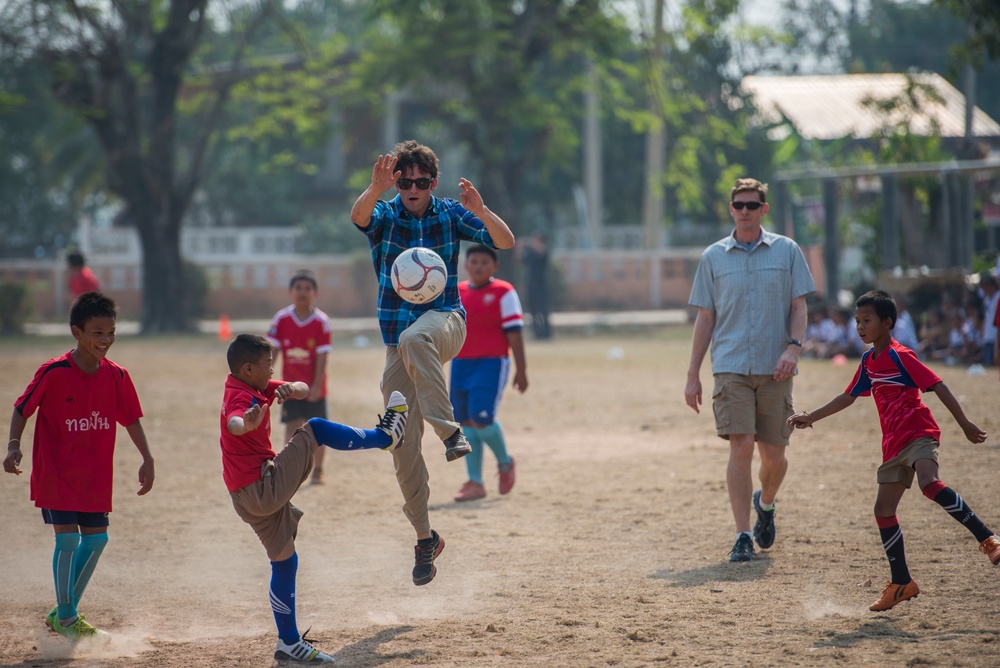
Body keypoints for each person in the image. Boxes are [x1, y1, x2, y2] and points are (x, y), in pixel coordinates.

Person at [350, 139, 515, 586]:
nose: (413, 188)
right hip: (398, 346)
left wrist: (481, 210)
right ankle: (425, 538)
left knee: (416, 335)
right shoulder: (385, 212)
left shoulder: (449, 212)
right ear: (397, 183)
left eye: (421, 181)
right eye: (405, 182)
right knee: (400, 443)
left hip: (445, 322)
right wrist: (374, 189)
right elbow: (359, 217)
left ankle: (450, 432)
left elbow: (505, 240)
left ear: (433, 182)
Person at [788, 290, 999, 612]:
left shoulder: (901, 355)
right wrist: (811, 416)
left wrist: (965, 423)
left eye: (867, 320)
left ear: (887, 323)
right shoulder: (868, 361)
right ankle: (902, 583)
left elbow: (938, 385)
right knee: (883, 511)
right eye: (857, 321)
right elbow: (848, 396)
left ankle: (988, 539)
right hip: (893, 446)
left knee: (930, 483)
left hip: (918, 434)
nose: (860, 327)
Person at [219, 334, 408, 664]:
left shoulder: (251, 383)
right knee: (316, 428)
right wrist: (245, 424)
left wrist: (289, 388)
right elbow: (234, 422)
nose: (272, 369)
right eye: (268, 365)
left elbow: (304, 389)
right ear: (249, 368)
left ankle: (289, 643)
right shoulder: (239, 397)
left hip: (244, 496)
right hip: (261, 486)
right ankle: (385, 437)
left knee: (284, 561)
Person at [3, 292, 155, 640]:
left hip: (94, 476)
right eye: (97, 332)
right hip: (56, 472)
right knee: (69, 540)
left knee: (97, 540)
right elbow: (21, 408)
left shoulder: (117, 376)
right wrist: (14, 446)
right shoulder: (53, 371)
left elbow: (130, 419)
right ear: (77, 332)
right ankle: (69, 617)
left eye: (111, 332)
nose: (105, 340)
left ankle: (62, 610)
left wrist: (147, 457)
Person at [684, 177, 816, 563]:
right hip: (730, 366)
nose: (745, 211)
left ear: (764, 209)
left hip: (776, 367)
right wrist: (692, 372)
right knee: (741, 446)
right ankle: (742, 534)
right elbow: (705, 318)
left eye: (752, 205)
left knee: (774, 456)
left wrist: (793, 348)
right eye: (738, 205)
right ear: (730, 209)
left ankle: (767, 502)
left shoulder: (788, 251)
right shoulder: (713, 257)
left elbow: (799, 307)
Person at [449, 244, 528, 502]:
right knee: (465, 422)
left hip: (491, 363)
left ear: (495, 266)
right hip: (460, 363)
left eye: (485, 262)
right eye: (474, 262)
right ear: (466, 265)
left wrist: (521, 369)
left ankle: (505, 463)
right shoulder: (457, 292)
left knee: (482, 418)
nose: (479, 266)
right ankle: (475, 482)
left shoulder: (504, 292)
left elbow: (514, 332)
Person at [267, 270, 333, 485]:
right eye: (298, 288)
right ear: (290, 292)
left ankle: (318, 471)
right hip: (290, 388)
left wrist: (315, 386)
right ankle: (289, 469)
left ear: (315, 293)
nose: (303, 293)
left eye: (307, 289)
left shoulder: (321, 321)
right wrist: (265, 376)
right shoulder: (282, 319)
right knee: (292, 428)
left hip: (315, 388)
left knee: (318, 431)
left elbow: (322, 357)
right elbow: (272, 351)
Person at [521, 229, 553, 340]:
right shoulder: (530, 253)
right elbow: (520, 261)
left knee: (543, 310)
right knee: (532, 309)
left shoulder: (543, 250)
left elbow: (540, 250)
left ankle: (547, 334)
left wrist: (529, 243)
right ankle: (537, 334)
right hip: (531, 283)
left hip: (541, 283)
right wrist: (519, 247)